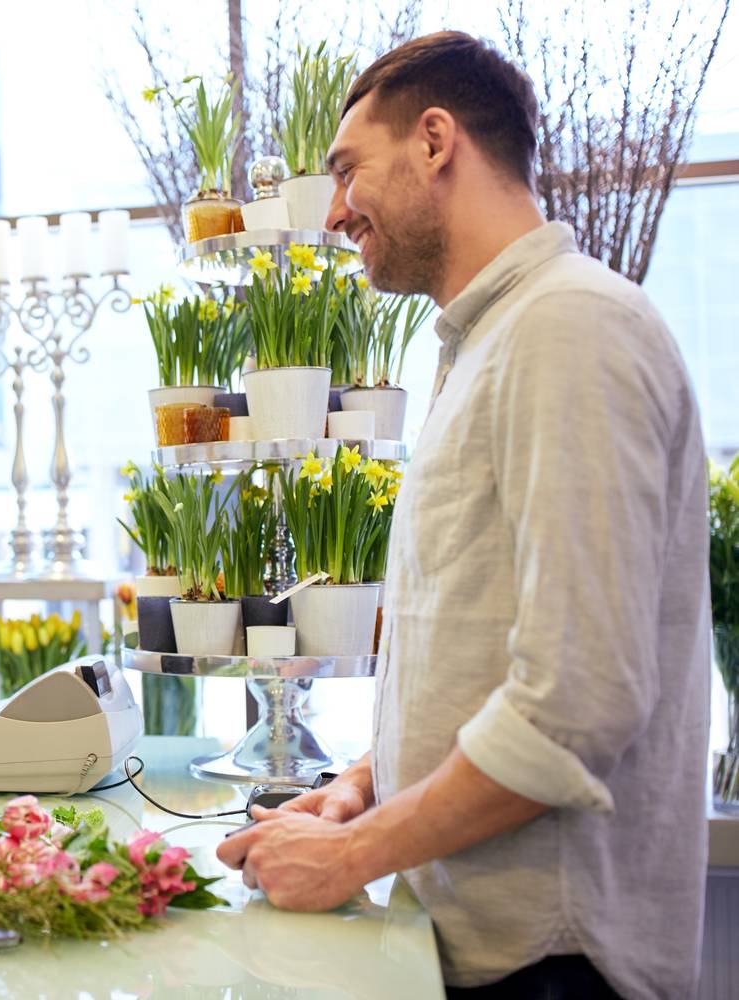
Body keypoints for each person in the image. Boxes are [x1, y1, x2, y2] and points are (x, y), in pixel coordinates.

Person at [216, 32, 711, 1000]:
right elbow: (481, 644)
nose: (339, 210)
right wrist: (366, 780)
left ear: (436, 141)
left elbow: (578, 704)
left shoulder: (568, 326)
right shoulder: (492, 338)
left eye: (349, 170)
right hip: (493, 946)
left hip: (556, 962)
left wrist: (353, 852)